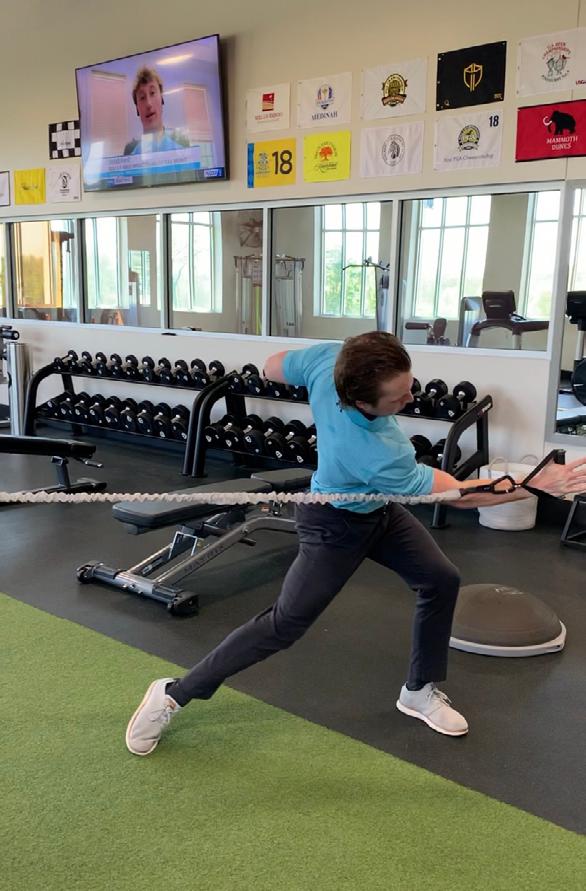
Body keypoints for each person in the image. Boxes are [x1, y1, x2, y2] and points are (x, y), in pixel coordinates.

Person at [125, 332, 586, 756]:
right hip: (333, 525)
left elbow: (272, 366)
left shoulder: (333, 358)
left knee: (440, 579)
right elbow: (460, 495)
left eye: (409, 384)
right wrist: (536, 485)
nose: (411, 397)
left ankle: (418, 691)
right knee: (284, 624)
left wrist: (299, 378)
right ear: (362, 400)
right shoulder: (377, 452)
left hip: (379, 511)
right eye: (398, 397)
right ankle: (174, 694)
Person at [123, 66, 190, 156]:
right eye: (142, 97)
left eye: (152, 93)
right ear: (137, 108)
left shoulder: (181, 143)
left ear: (161, 98)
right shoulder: (130, 152)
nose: (149, 104)